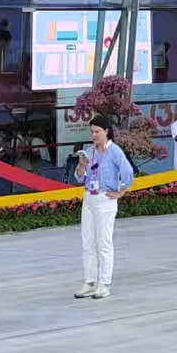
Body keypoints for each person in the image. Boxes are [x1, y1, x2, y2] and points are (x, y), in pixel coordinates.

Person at [74, 116, 133, 299]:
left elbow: (128, 172)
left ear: (106, 131)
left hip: (105, 198)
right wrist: (81, 166)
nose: (94, 135)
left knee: (104, 242)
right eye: (92, 132)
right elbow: (79, 177)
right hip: (89, 197)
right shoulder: (89, 152)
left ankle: (104, 283)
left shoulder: (114, 151)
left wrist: (120, 192)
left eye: (97, 131)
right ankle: (89, 281)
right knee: (87, 242)